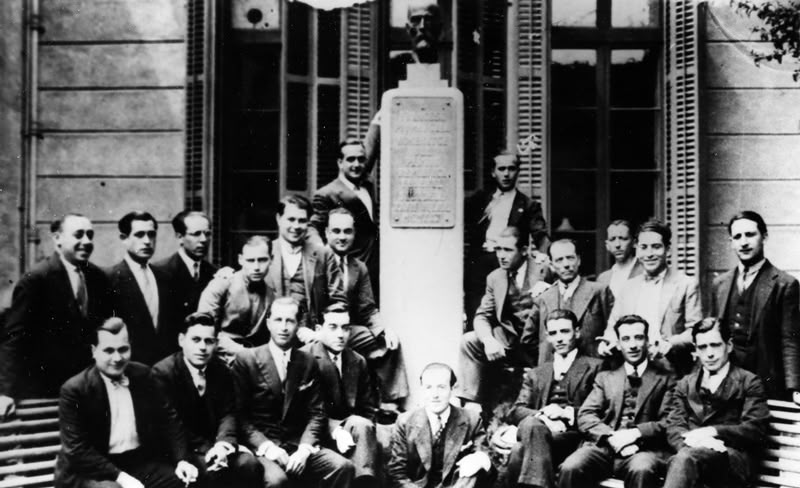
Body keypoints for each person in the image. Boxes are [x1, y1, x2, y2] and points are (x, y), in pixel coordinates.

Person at [54, 318, 198, 488]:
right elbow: (77, 449)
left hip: (135, 463)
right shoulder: (75, 390)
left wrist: (181, 460)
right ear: (94, 351)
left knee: (183, 481)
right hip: (89, 472)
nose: (117, 358)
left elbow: (168, 419)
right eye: (108, 350)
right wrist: (121, 478)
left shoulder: (143, 375)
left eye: (123, 349)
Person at [232, 297, 355, 488]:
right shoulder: (247, 359)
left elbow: (317, 413)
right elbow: (240, 416)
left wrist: (304, 449)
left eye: (290, 321)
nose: (284, 327)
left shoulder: (307, 362)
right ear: (268, 324)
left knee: (342, 467)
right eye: (278, 320)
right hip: (264, 447)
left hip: (297, 445)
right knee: (277, 481)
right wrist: (267, 447)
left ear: (297, 326)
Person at [0, 214, 111, 418]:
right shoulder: (36, 279)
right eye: (78, 235)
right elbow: (14, 338)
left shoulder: (98, 278)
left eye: (90, 235)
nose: (86, 242)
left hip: (87, 388)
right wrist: (5, 392)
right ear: (57, 238)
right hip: (47, 390)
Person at [558, 315, 675, 488]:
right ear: (619, 344)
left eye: (639, 337)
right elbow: (586, 414)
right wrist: (611, 437)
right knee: (571, 466)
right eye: (626, 339)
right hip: (604, 448)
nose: (633, 345)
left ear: (647, 341)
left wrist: (635, 434)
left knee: (642, 469)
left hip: (644, 450)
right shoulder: (606, 378)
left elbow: (669, 420)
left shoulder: (666, 379)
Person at [492, 309, 602, 488]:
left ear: (577, 332)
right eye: (553, 333)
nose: (559, 338)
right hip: (541, 432)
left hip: (573, 437)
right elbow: (517, 409)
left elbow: (601, 409)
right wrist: (543, 418)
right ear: (548, 338)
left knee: (520, 449)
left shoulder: (595, 367)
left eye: (564, 331)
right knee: (530, 428)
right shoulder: (537, 373)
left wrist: (565, 413)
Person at [151, 312, 262, 488]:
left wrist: (223, 444)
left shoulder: (221, 369)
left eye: (209, 341)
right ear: (181, 340)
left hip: (216, 446)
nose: (202, 347)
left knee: (249, 464)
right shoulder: (163, 373)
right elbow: (172, 424)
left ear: (216, 344)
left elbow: (229, 413)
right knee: (211, 473)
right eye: (195, 340)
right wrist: (209, 449)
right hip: (183, 451)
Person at [662, 318, 769, 488]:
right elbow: (674, 426)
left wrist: (713, 432)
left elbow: (755, 429)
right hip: (690, 458)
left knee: (683, 460)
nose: (709, 353)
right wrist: (696, 443)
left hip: (731, 462)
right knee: (682, 459)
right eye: (702, 347)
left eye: (715, 345)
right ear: (695, 350)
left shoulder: (749, 382)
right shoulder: (685, 384)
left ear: (729, 345)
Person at [318, 207, 408, 407]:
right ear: (326, 232)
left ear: (354, 234)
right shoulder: (315, 261)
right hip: (320, 330)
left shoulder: (358, 267)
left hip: (348, 330)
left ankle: (388, 403)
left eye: (347, 231)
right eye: (336, 231)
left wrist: (384, 330)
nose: (342, 237)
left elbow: (367, 308)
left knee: (389, 342)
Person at [710, 210, 800, 401]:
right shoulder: (721, 283)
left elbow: (790, 339)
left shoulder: (784, 284)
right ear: (731, 242)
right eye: (737, 237)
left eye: (750, 235)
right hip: (728, 382)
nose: (744, 242)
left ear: (764, 237)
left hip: (766, 380)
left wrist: (794, 388)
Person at [458, 226, 551, 409]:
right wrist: (488, 340)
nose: (501, 255)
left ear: (524, 250)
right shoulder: (495, 277)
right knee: (469, 341)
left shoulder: (544, 270)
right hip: (510, 341)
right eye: (498, 249)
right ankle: (471, 405)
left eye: (508, 250)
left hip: (539, 341)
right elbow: (482, 315)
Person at [599, 219, 703, 375]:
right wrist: (607, 342)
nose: (649, 254)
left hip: (671, 371)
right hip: (631, 371)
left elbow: (695, 331)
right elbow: (612, 327)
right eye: (644, 248)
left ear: (667, 250)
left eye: (656, 247)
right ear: (637, 249)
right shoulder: (628, 286)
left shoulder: (686, 284)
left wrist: (669, 344)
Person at [464, 152, 550, 321]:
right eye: (501, 169)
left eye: (511, 169)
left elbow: (541, 235)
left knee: (505, 311)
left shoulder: (527, 205)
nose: (506, 174)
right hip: (480, 261)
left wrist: (544, 258)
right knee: (476, 310)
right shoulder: (479, 201)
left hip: (508, 263)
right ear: (493, 172)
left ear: (518, 171)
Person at [301, 303, 380, 485]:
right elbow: (302, 412)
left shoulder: (357, 360)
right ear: (319, 330)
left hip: (354, 433)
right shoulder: (304, 358)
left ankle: (364, 483)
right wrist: (335, 430)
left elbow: (367, 409)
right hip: (317, 434)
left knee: (362, 424)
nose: (340, 334)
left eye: (345, 328)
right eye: (333, 327)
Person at [363, 0, 446, 171]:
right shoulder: (394, 66)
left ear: (439, 28)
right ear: (408, 29)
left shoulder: (454, 70)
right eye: (416, 20)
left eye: (428, 20)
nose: (422, 27)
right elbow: (381, 118)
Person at [388, 363, 495, 488]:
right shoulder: (405, 421)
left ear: (453, 389)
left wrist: (477, 460)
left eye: (441, 387)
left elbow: (484, 459)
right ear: (422, 389)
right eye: (428, 387)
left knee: (477, 464)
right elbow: (396, 472)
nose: (435, 395)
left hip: (458, 485)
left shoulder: (472, 419)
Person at [265, 194, 346, 330]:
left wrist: (324, 331)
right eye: (291, 219)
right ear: (279, 219)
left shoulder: (323, 255)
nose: (296, 226)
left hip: (312, 334)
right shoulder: (264, 253)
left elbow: (338, 300)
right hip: (271, 334)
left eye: (302, 221)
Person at [309, 139, 379, 293]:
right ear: (340, 163)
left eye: (361, 159)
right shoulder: (326, 194)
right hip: (348, 272)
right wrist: (326, 257)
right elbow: (314, 228)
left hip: (375, 270)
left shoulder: (368, 186)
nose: (356, 164)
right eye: (350, 159)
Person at [107, 211, 173, 366]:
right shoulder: (110, 279)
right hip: (127, 368)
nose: (147, 241)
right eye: (139, 235)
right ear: (124, 239)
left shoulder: (165, 278)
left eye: (151, 234)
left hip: (163, 370)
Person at [197, 235, 275, 363]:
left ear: (271, 260)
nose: (256, 267)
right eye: (250, 260)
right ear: (240, 260)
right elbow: (204, 328)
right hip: (218, 360)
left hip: (254, 363)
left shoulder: (271, 295)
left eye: (262, 260)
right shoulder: (222, 284)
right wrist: (243, 352)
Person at [530, 239, 608, 364]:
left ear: (579, 260)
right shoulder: (543, 297)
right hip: (553, 373)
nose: (566, 264)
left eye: (570, 258)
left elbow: (613, 330)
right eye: (559, 260)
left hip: (590, 371)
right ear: (551, 264)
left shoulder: (599, 291)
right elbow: (529, 339)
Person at [152, 210, 218, 328]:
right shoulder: (160, 271)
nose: (203, 239)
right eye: (196, 234)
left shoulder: (215, 273)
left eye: (207, 234)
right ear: (180, 237)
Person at [596, 220, 643, 302]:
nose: (617, 244)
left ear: (634, 243)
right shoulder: (603, 279)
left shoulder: (645, 272)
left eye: (623, 239)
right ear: (607, 245)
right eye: (612, 239)